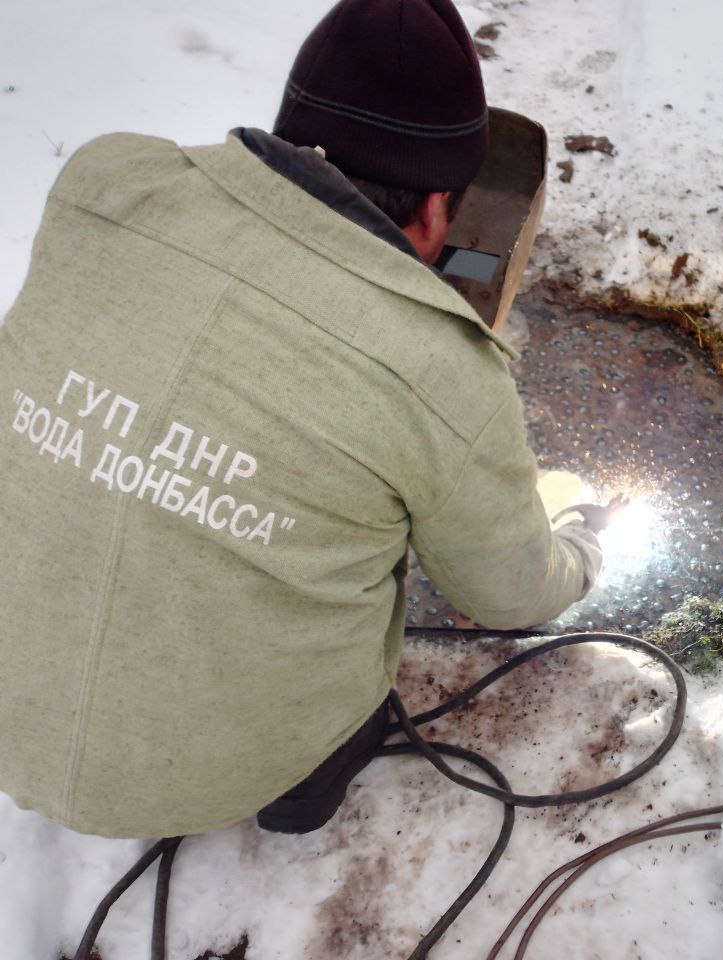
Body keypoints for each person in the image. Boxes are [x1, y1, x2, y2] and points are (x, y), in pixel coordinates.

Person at [0, 0, 615, 840]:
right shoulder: (442, 371)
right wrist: (578, 534)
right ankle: (300, 787)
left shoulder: (106, 182)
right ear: (437, 212)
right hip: (204, 778)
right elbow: (510, 594)